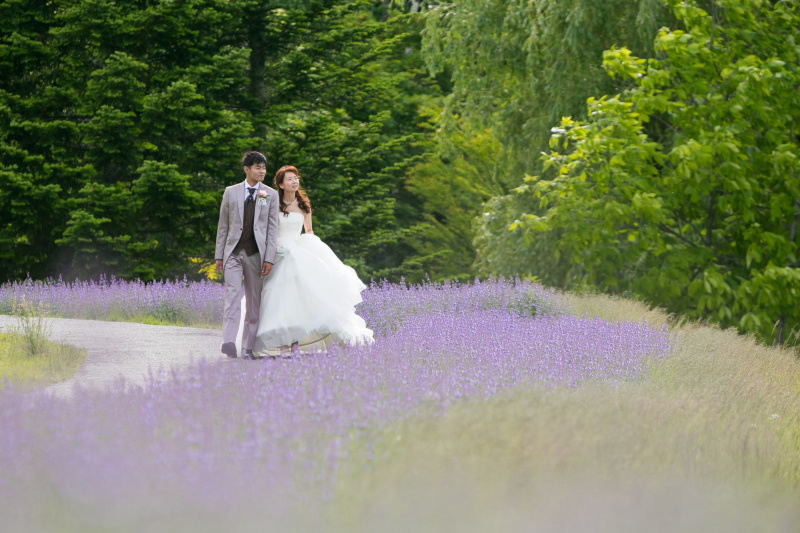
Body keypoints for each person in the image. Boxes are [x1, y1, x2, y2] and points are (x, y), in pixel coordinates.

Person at [248, 165, 373, 355]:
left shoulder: (304, 205)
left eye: (296, 178)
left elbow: (309, 231)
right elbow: (265, 229)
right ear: (280, 184)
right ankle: (282, 345)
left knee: (298, 301)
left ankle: (294, 345)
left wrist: (313, 250)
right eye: (290, 179)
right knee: (278, 301)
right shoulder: (273, 203)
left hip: (295, 254)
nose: (295, 181)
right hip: (276, 253)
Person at [215, 151, 279, 359]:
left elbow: (272, 230)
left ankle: (248, 347)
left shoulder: (270, 194)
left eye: (264, 167)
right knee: (232, 296)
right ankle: (228, 342)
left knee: (253, 301)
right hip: (233, 252)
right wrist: (219, 256)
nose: (262, 171)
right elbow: (223, 226)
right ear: (246, 169)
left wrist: (269, 258)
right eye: (258, 167)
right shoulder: (230, 192)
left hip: (256, 254)